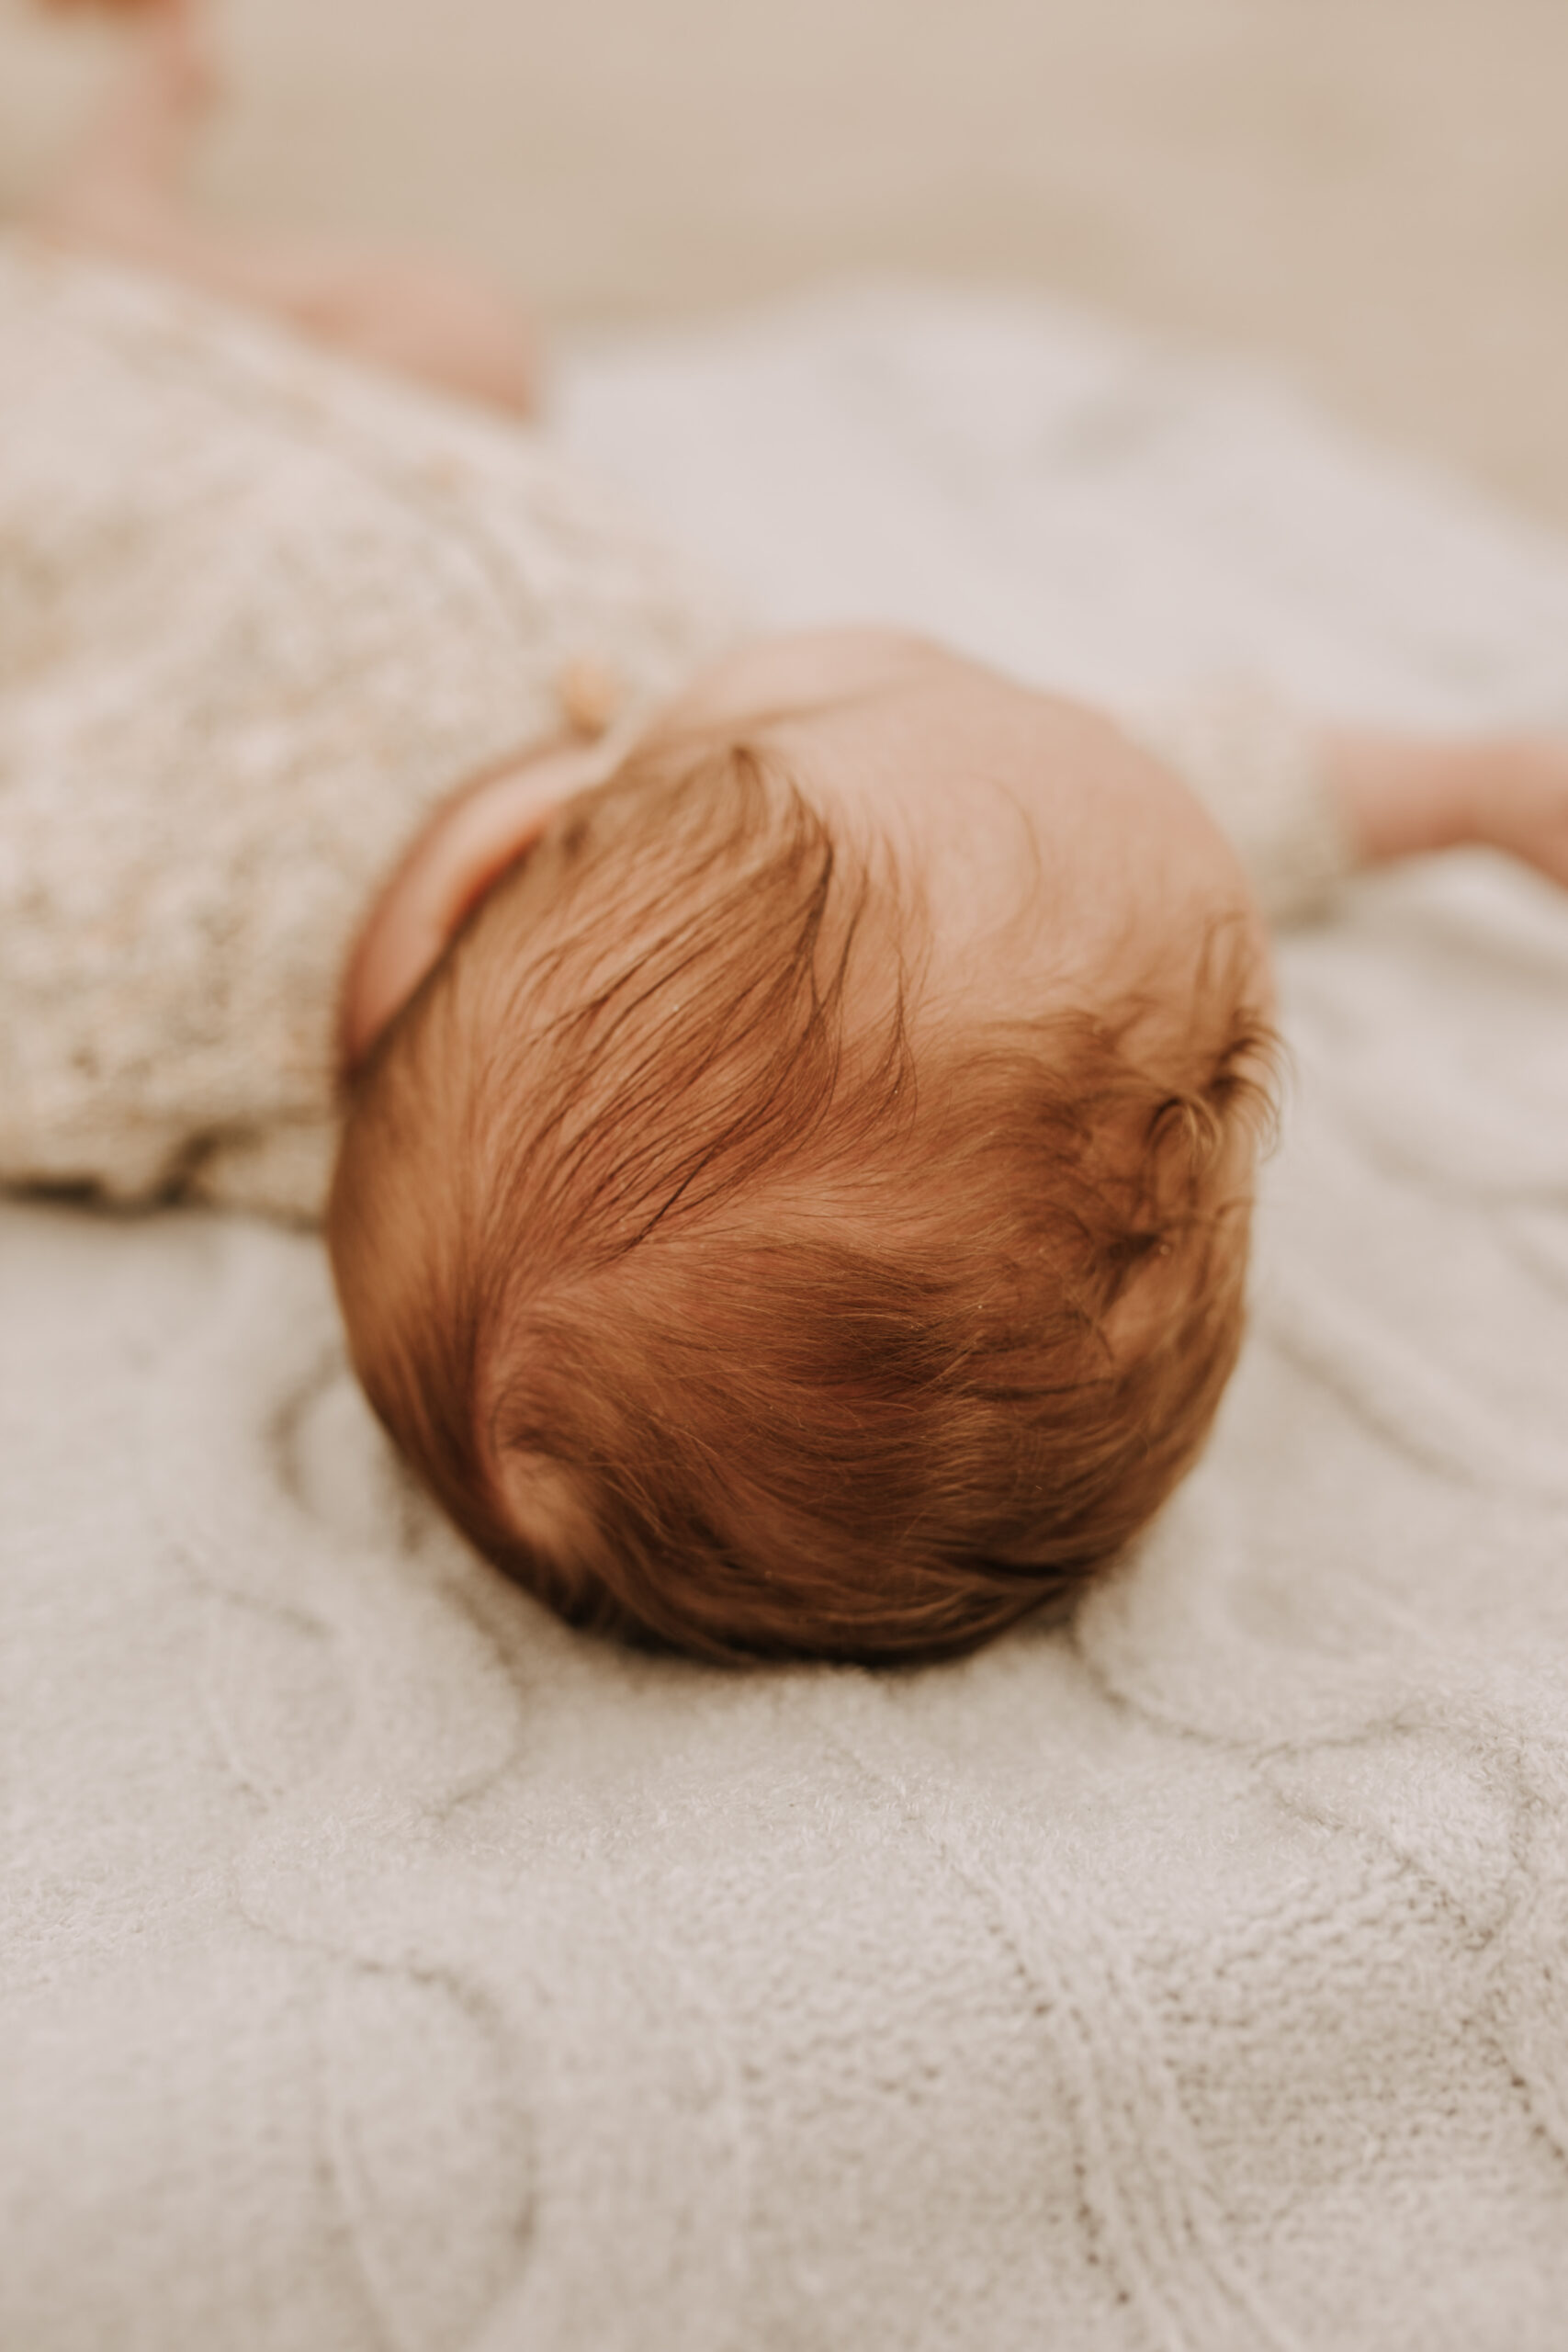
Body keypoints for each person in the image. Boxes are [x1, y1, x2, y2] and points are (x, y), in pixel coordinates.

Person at [6, 0, 1568, 1662]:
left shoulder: (115, 961)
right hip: (384, 429)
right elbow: (1171, 802)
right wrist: (1468, 787)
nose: (967, 657)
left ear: (499, 867)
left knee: (411, 336)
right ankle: (134, 233)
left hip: (56, 466)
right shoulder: (734, 911)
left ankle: (101, 252)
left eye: (911, 676)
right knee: (467, 338)